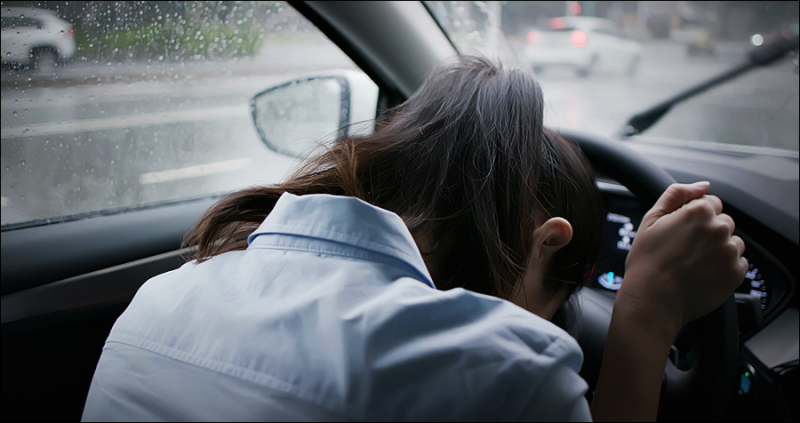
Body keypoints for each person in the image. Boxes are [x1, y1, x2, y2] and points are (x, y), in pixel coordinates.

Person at [82, 56, 747, 421]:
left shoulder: (162, 296)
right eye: (562, 295)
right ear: (547, 242)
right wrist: (648, 311)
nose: (557, 324)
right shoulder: (506, 368)